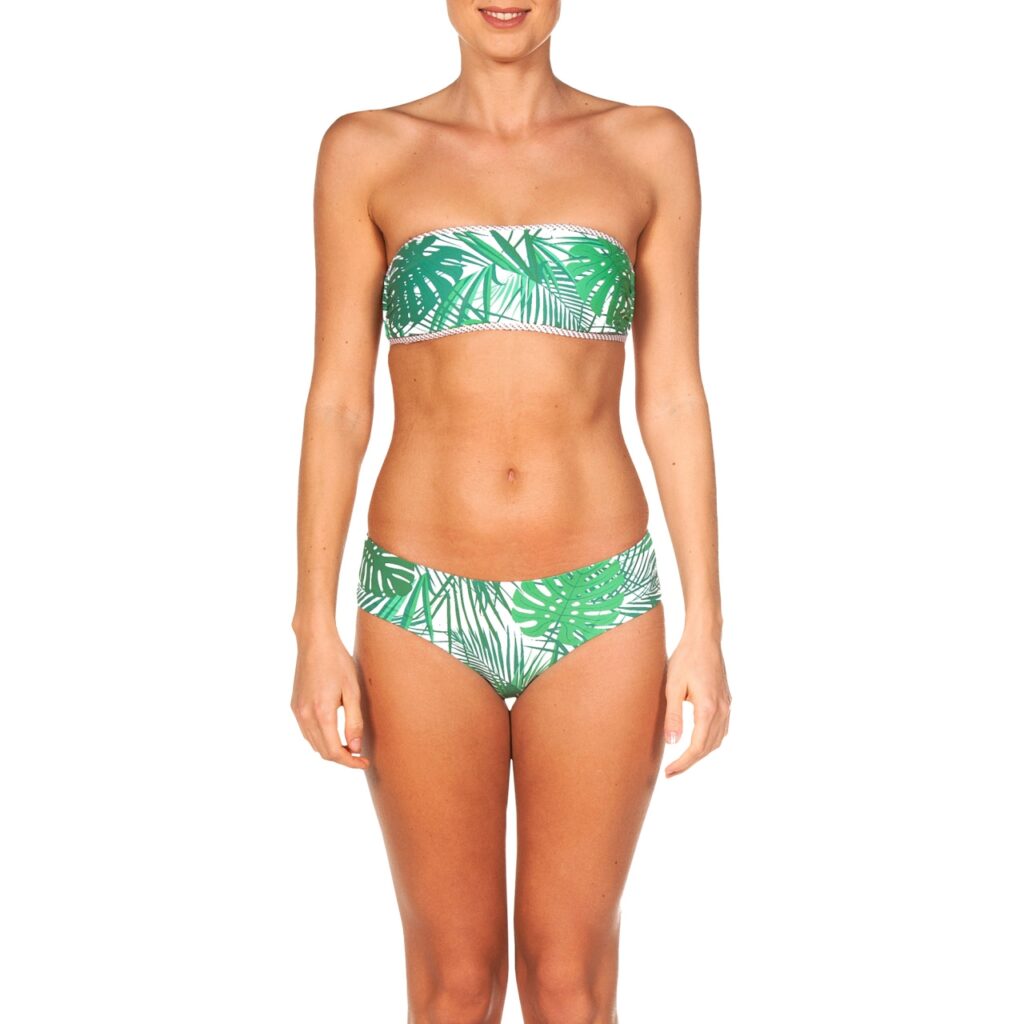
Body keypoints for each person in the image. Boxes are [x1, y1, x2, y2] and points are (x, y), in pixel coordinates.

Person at [290, 2, 731, 1020]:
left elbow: (673, 395)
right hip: (419, 604)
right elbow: (339, 401)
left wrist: (705, 625)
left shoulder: (649, 145)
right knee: (455, 984)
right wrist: (311, 624)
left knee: (568, 981)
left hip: (599, 604)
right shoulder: (366, 151)